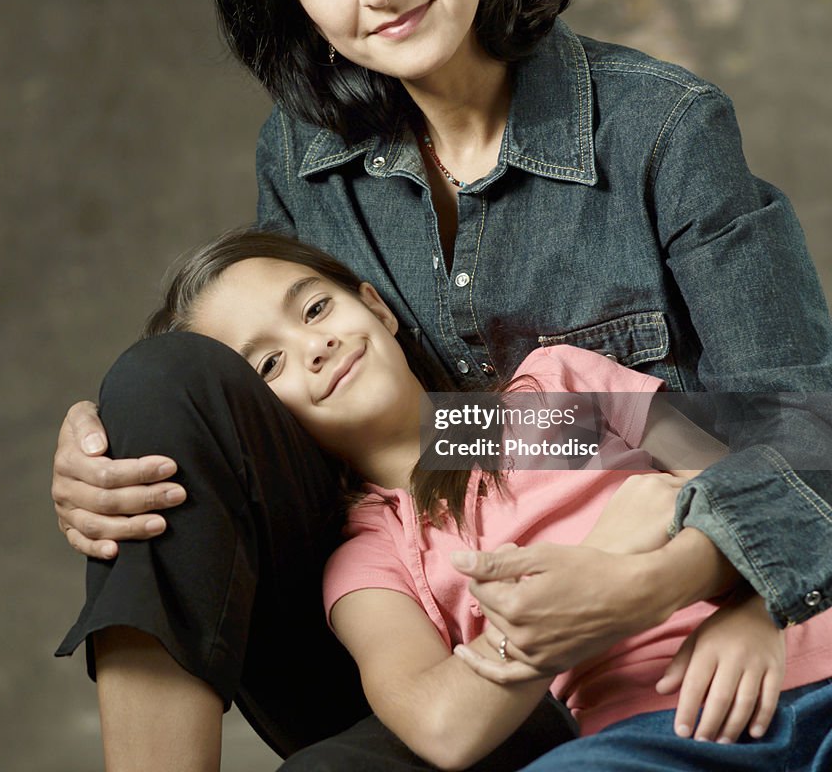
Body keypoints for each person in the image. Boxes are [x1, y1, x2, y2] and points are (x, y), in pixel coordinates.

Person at [51, 0, 832, 766]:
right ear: (294, 4)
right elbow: (268, 393)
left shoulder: (660, 130)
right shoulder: (303, 156)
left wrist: (715, 583)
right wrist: (113, 447)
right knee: (159, 382)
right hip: (426, 626)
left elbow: (800, 422)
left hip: (641, 635)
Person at [129, 227, 832, 771]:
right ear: (263, 424)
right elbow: (441, 726)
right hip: (665, 735)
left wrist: (755, 609)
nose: (315, 346)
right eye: (270, 364)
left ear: (374, 305)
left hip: (811, 652)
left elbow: (753, 485)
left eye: (315, 308)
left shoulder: (540, 401)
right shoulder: (373, 551)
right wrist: (596, 568)